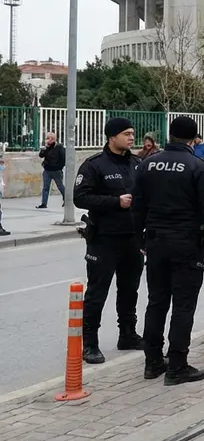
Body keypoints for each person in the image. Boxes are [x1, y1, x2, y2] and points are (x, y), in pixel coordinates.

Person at [132, 116, 204, 385]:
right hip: (186, 244)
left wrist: (139, 240)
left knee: (156, 302)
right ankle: (177, 365)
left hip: (155, 243)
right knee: (183, 306)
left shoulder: (147, 164)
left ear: (170, 135)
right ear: (194, 138)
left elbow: (137, 206)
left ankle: (152, 362)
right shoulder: (198, 166)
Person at [75, 117, 143, 364]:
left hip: (133, 239)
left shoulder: (138, 163)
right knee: (97, 292)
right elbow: (80, 197)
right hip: (104, 239)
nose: (131, 137)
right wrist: (116, 202)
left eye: (132, 133)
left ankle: (127, 334)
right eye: (126, 133)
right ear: (112, 137)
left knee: (129, 290)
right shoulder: (94, 165)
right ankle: (90, 343)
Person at [37, 132, 67, 209]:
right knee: (45, 187)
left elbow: (63, 158)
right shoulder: (47, 147)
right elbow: (41, 155)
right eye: (47, 138)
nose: (48, 140)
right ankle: (44, 203)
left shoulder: (59, 147)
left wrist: (59, 167)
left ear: (53, 139)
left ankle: (66, 199)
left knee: (60, 186)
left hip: (56, 171)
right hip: (47, 170)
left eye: (50, 138)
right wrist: (45, 148)